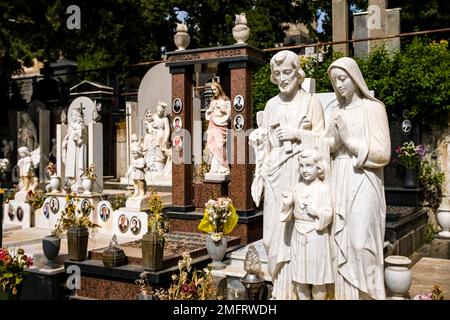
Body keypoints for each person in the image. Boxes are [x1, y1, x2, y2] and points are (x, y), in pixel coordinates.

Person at [249, 50, 325, 299]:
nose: (282, 78)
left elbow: (325, 144)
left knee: (299, 237)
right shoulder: (271, 105)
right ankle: (279, 290)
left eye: (287, 72)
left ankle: (295, 293)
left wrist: (298, 134)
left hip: (302, 178)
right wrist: (260, 140)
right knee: (274, 236)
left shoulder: (311, 103)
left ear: (298, 73)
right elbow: (267, 146)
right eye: (277, 73)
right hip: (276, 177)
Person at [326, 57, 390, 300]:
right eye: (335, 81)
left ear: (355, 78)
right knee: (338, 242)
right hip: (339, 176)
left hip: (364, 178)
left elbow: (383, 153)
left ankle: (370, 296)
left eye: (343, 79)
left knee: (361, 242)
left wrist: (349, 141)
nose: (339, 85)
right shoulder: (334, 111)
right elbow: (328, 146)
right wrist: (328, 139)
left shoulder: (373, 108)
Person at [280, 149, 333, 300]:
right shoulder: (297, 188)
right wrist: (287, 204)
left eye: (309, 166)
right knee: (300, 279)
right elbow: (286, 217)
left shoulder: (323, 189)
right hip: (298, 235)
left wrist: (316, 212)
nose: (304, 170)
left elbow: (329, 213)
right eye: (302, 166)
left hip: (317, 236)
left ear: (318, 167)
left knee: (318, 280)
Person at [205, 82, 231, 175]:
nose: (213, 92)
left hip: (221, 126)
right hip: (212, 125)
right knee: (213, 146)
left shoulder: (226, 101)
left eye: (215, 89)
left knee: (220, 146)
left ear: (219, 89)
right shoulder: (212, 101)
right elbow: (207, 115)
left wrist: (222, 110)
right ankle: (214, 168)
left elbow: (229, 115)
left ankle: (223, 167)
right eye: (212, 90)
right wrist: (210, 111)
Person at [62, 107, 87, 191]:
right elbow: (67, 136)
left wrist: (78, 135)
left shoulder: (81, 125)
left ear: (77, 116)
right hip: (70, 148)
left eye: (73, 115)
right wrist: (65, 141)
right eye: (71, 115)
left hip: (77, 148)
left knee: (76, 165)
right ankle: (71, 182)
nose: (72, 117)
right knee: (70, 165)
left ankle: (77, 182)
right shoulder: (71, 126)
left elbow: (83, 137)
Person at [142, 102, 171, 173]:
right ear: (156, 110)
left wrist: (166, 138)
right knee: (147, 137)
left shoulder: (165, 119)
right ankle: (147, 154)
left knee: (160, 136)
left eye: (161, 112)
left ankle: (158, 155)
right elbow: (149, 124)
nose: (160, 113)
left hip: (161, 132)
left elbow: (167, 129)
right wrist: (149, 129)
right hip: (153, 132)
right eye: (158, 111)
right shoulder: (154, 117)